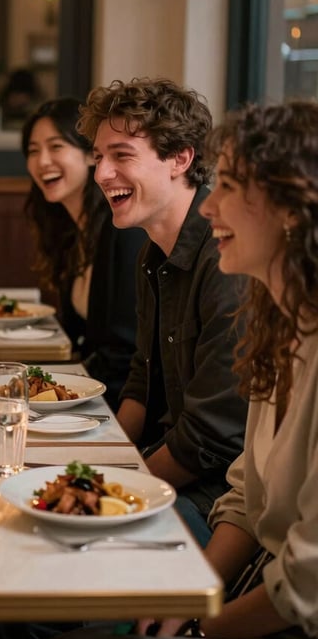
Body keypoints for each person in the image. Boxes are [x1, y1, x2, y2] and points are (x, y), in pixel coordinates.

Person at [30, 100, 318, 639]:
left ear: (291, 209)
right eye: (99, 156)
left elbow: (302, 586)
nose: (209, 206)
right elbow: (246, 494)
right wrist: (195, 597)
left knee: (64, 604)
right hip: (243, 565)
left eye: (229, 186)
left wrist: (200, 625)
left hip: (288, 629)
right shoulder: (280, 326)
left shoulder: (235, 282)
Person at [78, 77, 248, 545]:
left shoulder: (227, 260)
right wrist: (105, 462)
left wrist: (109, 491)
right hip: (169, 465)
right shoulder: (152, 253)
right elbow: (142, 378)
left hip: (218, 499)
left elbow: (211, 439)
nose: (101, 173)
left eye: (121, 155)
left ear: (181, 159)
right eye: (99, 157)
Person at [22, 97, 144, 407]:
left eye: (56, 146)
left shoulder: (122, 229)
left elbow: (126, 352)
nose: (42, 161)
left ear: (91, 155)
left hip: (113, 401)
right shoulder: (69, 230)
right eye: (33, 151)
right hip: (87, 393)